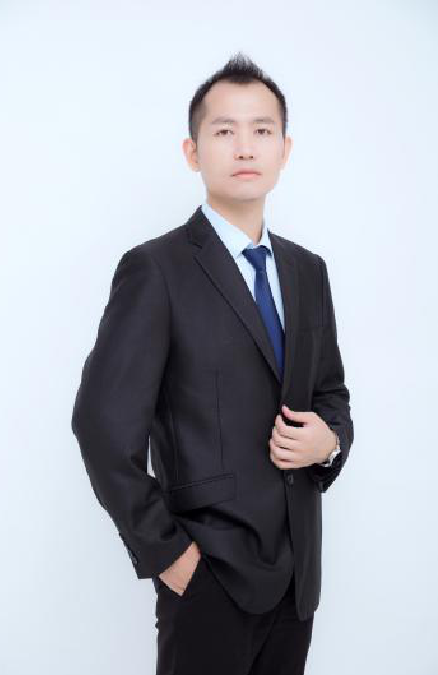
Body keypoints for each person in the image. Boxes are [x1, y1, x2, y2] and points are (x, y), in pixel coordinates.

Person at [71, 51, 354, 675]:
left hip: (298, 578)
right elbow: (101, 426)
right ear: (192, 152)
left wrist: (329, 440)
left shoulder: (308, 271)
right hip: (208, 578)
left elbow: (331, 393)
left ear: (284, 150)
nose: (245, 147)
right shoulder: (156, 269)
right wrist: (170, 557)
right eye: (224, 131)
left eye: (262, 130)